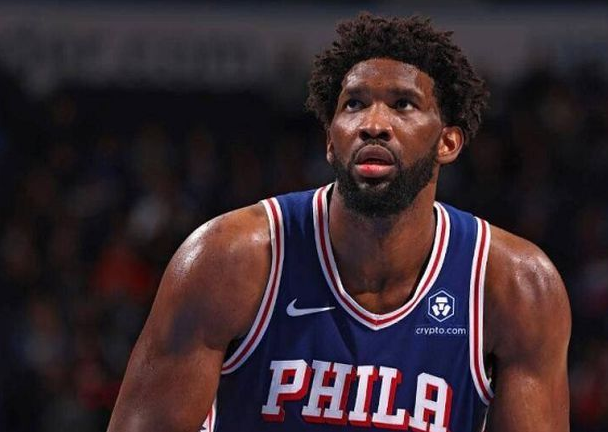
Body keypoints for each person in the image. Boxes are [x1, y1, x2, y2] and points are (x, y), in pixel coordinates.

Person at [107, 13, 571, 432]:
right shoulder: (228, 259)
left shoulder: (516, 286)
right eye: (354, 104)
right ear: (331, 140)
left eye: (403, 104)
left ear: (447, 143)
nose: (374, 123)